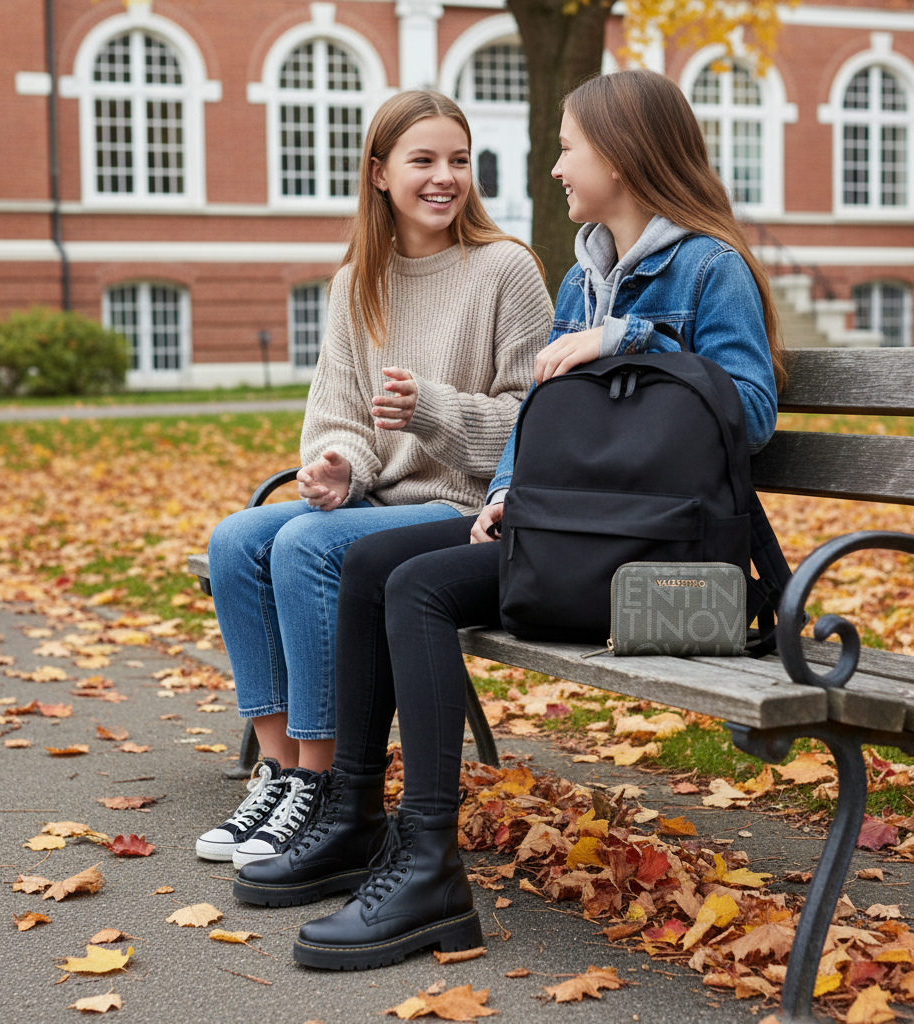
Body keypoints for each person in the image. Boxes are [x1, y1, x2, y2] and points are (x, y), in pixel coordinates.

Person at [231, 68, 785, 969]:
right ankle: (355, 818)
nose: (555, 168)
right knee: (372, 569)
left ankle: (428, 867)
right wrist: (501, 497)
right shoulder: (582, 276)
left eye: (568, 148)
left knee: (413, 588)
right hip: (572, 539)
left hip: (669, 576)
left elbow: (751, 412)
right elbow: (538, 419)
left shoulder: (707, 268)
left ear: (621, 156)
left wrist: (629, 340)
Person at [195, 90, 553, 868]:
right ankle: (279, 771)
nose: (445, 177)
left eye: (458, 160)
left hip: (466, 509)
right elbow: (339, 417)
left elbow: (534, 426)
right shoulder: (358, 281)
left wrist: (431, 410)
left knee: (304, 546)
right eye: (424, 160)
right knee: (236, 539)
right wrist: (340, 466)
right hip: (380, 504)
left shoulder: (505, 269)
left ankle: (322, 786)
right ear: (380, 173)